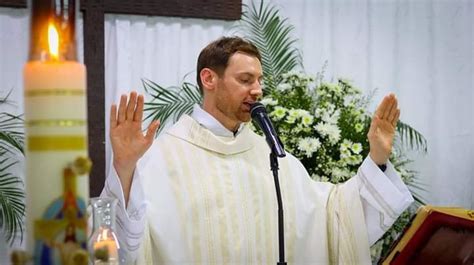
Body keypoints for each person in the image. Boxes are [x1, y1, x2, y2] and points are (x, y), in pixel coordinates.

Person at [102, 36, 413, 264]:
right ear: (209, 79)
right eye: (245, 79)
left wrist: (378, 158)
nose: (258, 90)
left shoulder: (272, 157)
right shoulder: (165, 157)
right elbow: (119, 243)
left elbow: (335, 214)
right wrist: (125, 167)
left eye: (260, 80)